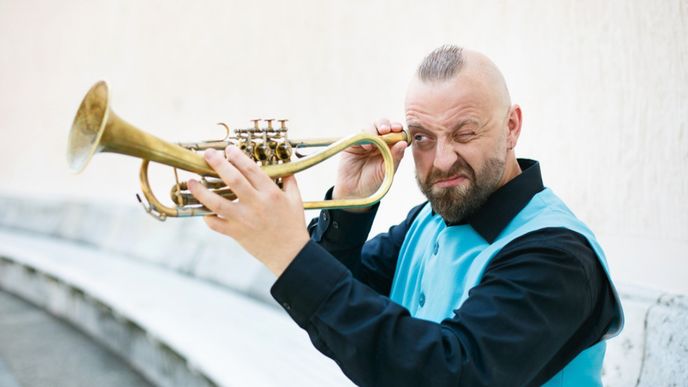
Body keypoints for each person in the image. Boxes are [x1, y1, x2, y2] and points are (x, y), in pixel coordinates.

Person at [188, 45, 624, 386]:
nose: (442, 159)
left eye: (465, 133)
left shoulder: (556, 255)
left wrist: (288, 252)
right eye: (422, 138)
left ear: (512, 127)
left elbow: (444, 373)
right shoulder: (428, 221)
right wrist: (350, 208)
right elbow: (339, 317)